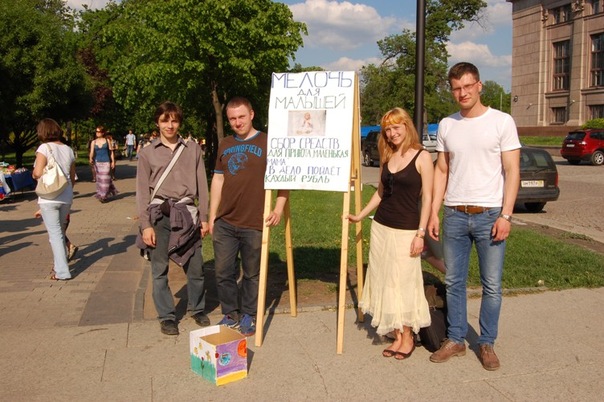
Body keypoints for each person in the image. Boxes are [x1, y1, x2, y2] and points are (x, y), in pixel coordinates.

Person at [427, 62, 521, 371]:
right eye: (456, 88)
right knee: (454, 282)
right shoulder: (447, 124)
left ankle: (486, 343)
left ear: (479, 85)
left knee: (491, 284)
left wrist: (506, 215)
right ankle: (455, 339)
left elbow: (512, 171)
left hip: (490, 215)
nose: (462, 93)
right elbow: (442, 170)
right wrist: (434, 212)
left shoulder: (501, 121)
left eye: (468, 86)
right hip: (454, 213)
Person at [348, 107, 433, 360]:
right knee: (385, 280)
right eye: (388, 129)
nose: (392, 133)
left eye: (397, 127)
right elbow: (381, 193)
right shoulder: (388, 156)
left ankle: (408, 336)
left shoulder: (422, 156)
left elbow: (427, 198)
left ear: (407, 126)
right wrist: (361, 215)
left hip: (407, 230)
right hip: (382, 227)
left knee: (404, 283)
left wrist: (420, 234)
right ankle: (396, 335)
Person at [209, 96, 288, 337]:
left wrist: (278, 208)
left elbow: (284, 179)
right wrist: (212, 216)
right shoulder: (225, 143)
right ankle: (230, 313)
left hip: (255, 221)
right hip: (225, 221)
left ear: (252, 114)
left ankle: (249, 315)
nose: (237, 122)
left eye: (241, 117)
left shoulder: (268, 142)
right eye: (232, 118)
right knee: (223, 271)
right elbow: (218, 179)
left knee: (252, 273)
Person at [136, 101, 210, 336]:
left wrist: (205, 217)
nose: (170, 125)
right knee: (159, 269)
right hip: (159, 216)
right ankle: (167, 316)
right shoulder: (147, 153)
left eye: (174, 120)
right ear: (157, 122)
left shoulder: (193, 149)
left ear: (180, 122)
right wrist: (145, 225)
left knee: (196, 267)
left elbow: (203, 187)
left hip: (188, 215)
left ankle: (197, 308)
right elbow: (141, 193)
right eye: (165, 120)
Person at [31, 118, 76, 281]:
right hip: (66, 195)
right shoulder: (68, 150)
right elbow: (72, 176)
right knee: (60, 232)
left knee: (55, 235)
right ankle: (58, 266)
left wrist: (35, 174)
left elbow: (37, 172)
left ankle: (62, 271)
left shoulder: (44, 148)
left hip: (49, 197)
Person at [89, 126, 118, 203]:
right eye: (96, 131)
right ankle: (102, 194)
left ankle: (104, 195)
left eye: (99, 132)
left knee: (105, 179)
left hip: (106, 162)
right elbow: (92, 152)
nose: (97, 133)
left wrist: (113, 161)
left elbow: (111, 152)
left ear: (102, 132)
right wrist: (91, 158)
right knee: (100, 179)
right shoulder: (93, 142)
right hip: (98, 162)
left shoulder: (107, 140)